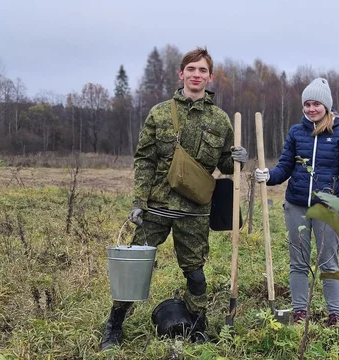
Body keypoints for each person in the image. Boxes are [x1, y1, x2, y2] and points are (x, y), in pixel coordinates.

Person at [99, 47, 248, 350]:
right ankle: (114, 325)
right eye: (191, 69)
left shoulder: (220, 121)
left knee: (194, 271)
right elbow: (144, 159)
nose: (196, 75)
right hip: (157, 207)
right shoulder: (160, 113)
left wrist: (239, 159)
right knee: (135, 267)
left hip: (195, 211)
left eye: (202, 70)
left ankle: (199, 324)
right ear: (181, 74)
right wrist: (139, 202)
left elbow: (224, 165)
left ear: (209, 76)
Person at [254, 77, 339, 327]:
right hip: (296, 205)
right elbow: (284, 167)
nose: (311, 109)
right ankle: (300, 312)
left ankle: (335, 315)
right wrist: (268, 176)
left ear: (327, 106)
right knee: (298, 261)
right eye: (307, 104)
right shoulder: (296, 132)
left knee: (328, 263)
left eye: (316, 104)